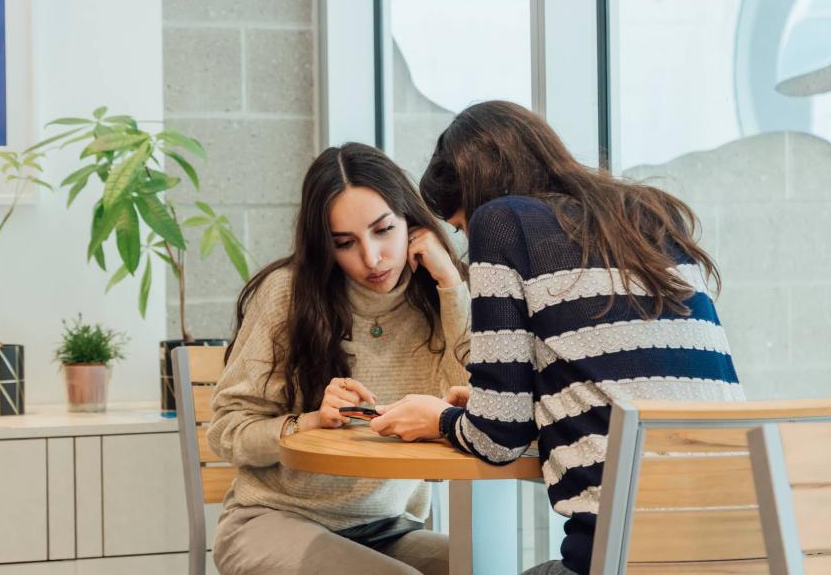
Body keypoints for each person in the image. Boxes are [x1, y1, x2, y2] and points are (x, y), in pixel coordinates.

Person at [369, 100, 744, 575]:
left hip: (621, 558)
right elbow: (616, 375)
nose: (467, 239)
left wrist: (442, 420)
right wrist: (492, 406)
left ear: (479, 195)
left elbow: (497, 438)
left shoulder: (502, 221)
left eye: (461, 227)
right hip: (739, 543)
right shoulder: (653, 216)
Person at [207, 142, 471, 575]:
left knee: (489, 565)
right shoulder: (288, 295)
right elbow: (227, 433)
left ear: (411, 222)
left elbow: (471, 408)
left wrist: (450, 285)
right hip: (273, 521)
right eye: (345, 243)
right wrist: (305, 423)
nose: (371, 258)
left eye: (384, 230)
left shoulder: (440, 301)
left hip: (389, 529)